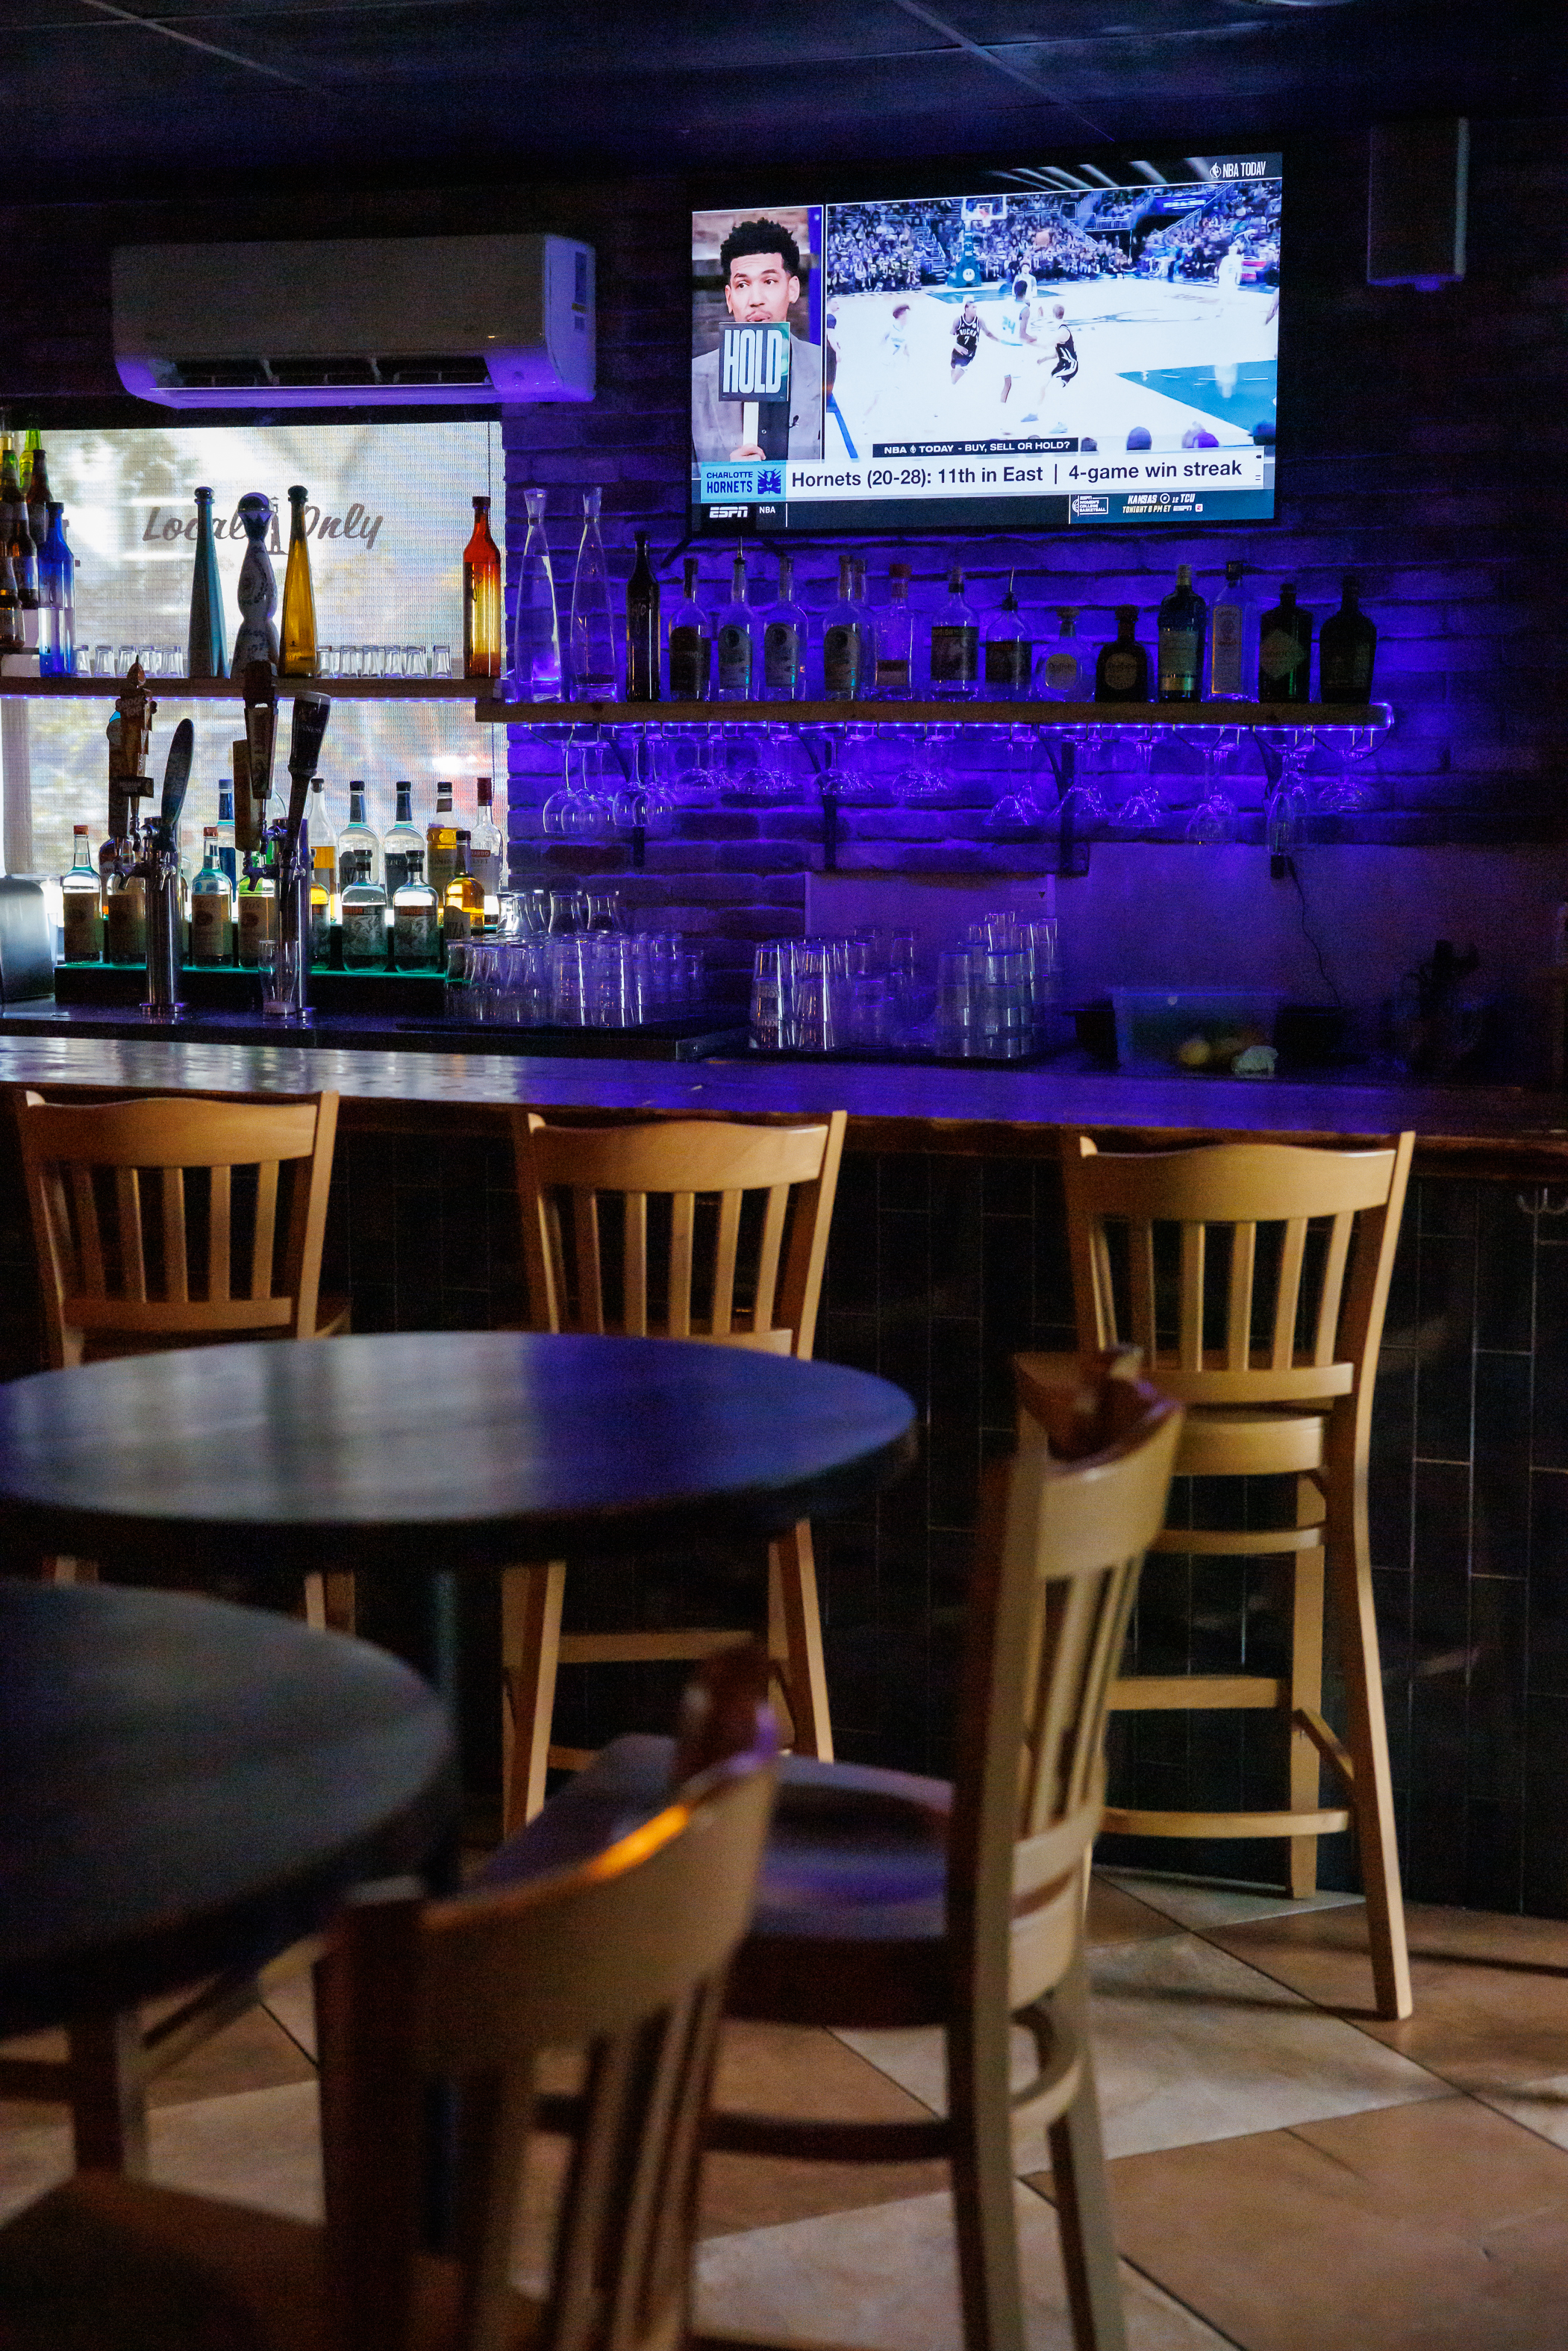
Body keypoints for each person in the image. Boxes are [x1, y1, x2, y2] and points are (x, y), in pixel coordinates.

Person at [692, 217, 824, 463]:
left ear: (792, 289)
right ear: (729, 298)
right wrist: (728, 481)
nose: (755, 299)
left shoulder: (826, 368)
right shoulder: (695, 379)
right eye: (742, 284)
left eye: (769, 281)